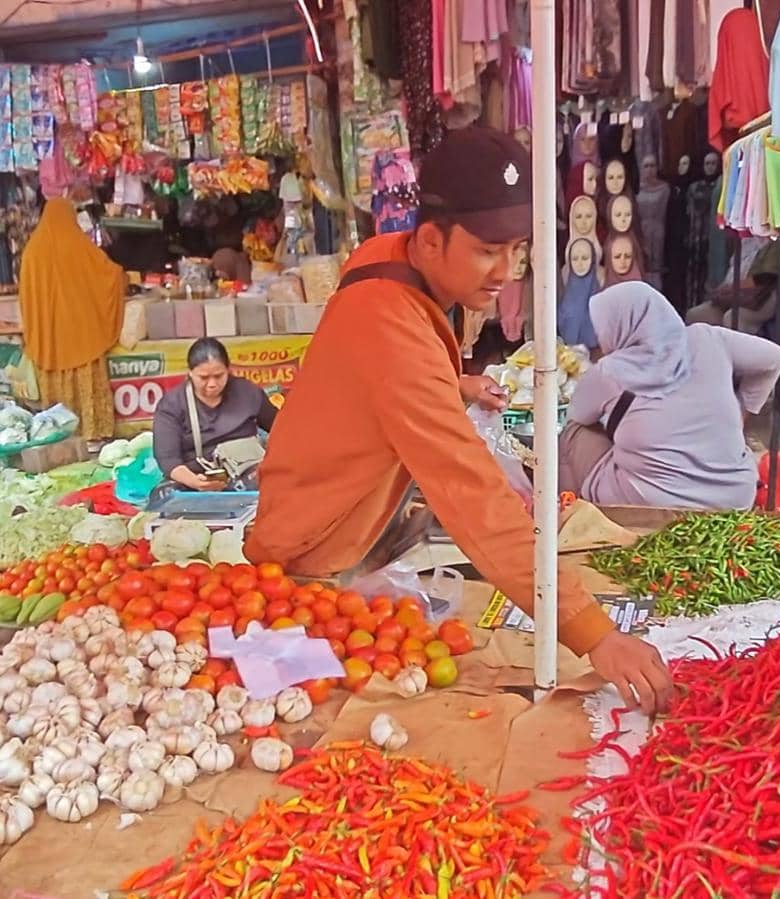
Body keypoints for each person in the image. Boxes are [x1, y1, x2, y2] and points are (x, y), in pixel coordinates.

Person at [244, 127, 673, 715]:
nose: (505, 271)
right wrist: (594, 634)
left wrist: (455, 384)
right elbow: (475, 498)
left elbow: (383, 374)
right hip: (313, 555)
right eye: (486, 250)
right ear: (428, 242)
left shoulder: (387, 258)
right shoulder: (390, 324)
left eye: (516, 249)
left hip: (336, 520)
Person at [560, 282, 780, 510]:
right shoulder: (708, 338)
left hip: (651, 504)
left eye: (603, 328)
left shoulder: (609, 371)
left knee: (572, 432)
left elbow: (578, 414)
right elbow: (774, 358)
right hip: (734, 499)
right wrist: (743, 410)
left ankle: (568, 519)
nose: (600, 337)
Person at [17, 198, 125, 440]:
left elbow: (26, 297)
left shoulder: (32, 251)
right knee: (86, 375)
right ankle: (94, 433)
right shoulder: (79, 246)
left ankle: (59, 435)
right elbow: (110, 274)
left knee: (55, 384)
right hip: (82, 334)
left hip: (50, 340)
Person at [152, 338, 277, 492]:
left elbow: (280, 427)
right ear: (190, 373)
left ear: (228, 370)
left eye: (219, 376)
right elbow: (168, 459)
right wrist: (195, 482)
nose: (212, 384)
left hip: (248, 471)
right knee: (164, 494)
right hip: (197, 476)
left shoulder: (248, 392)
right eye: (203, 378)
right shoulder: (172, 405)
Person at [686, 237, 780, 334]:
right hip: (734, 295)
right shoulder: (746, 242)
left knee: (732, 318)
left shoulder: (775, 244)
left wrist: (735, 287)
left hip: (762, 297)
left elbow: (767, 277)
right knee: (695, 315)